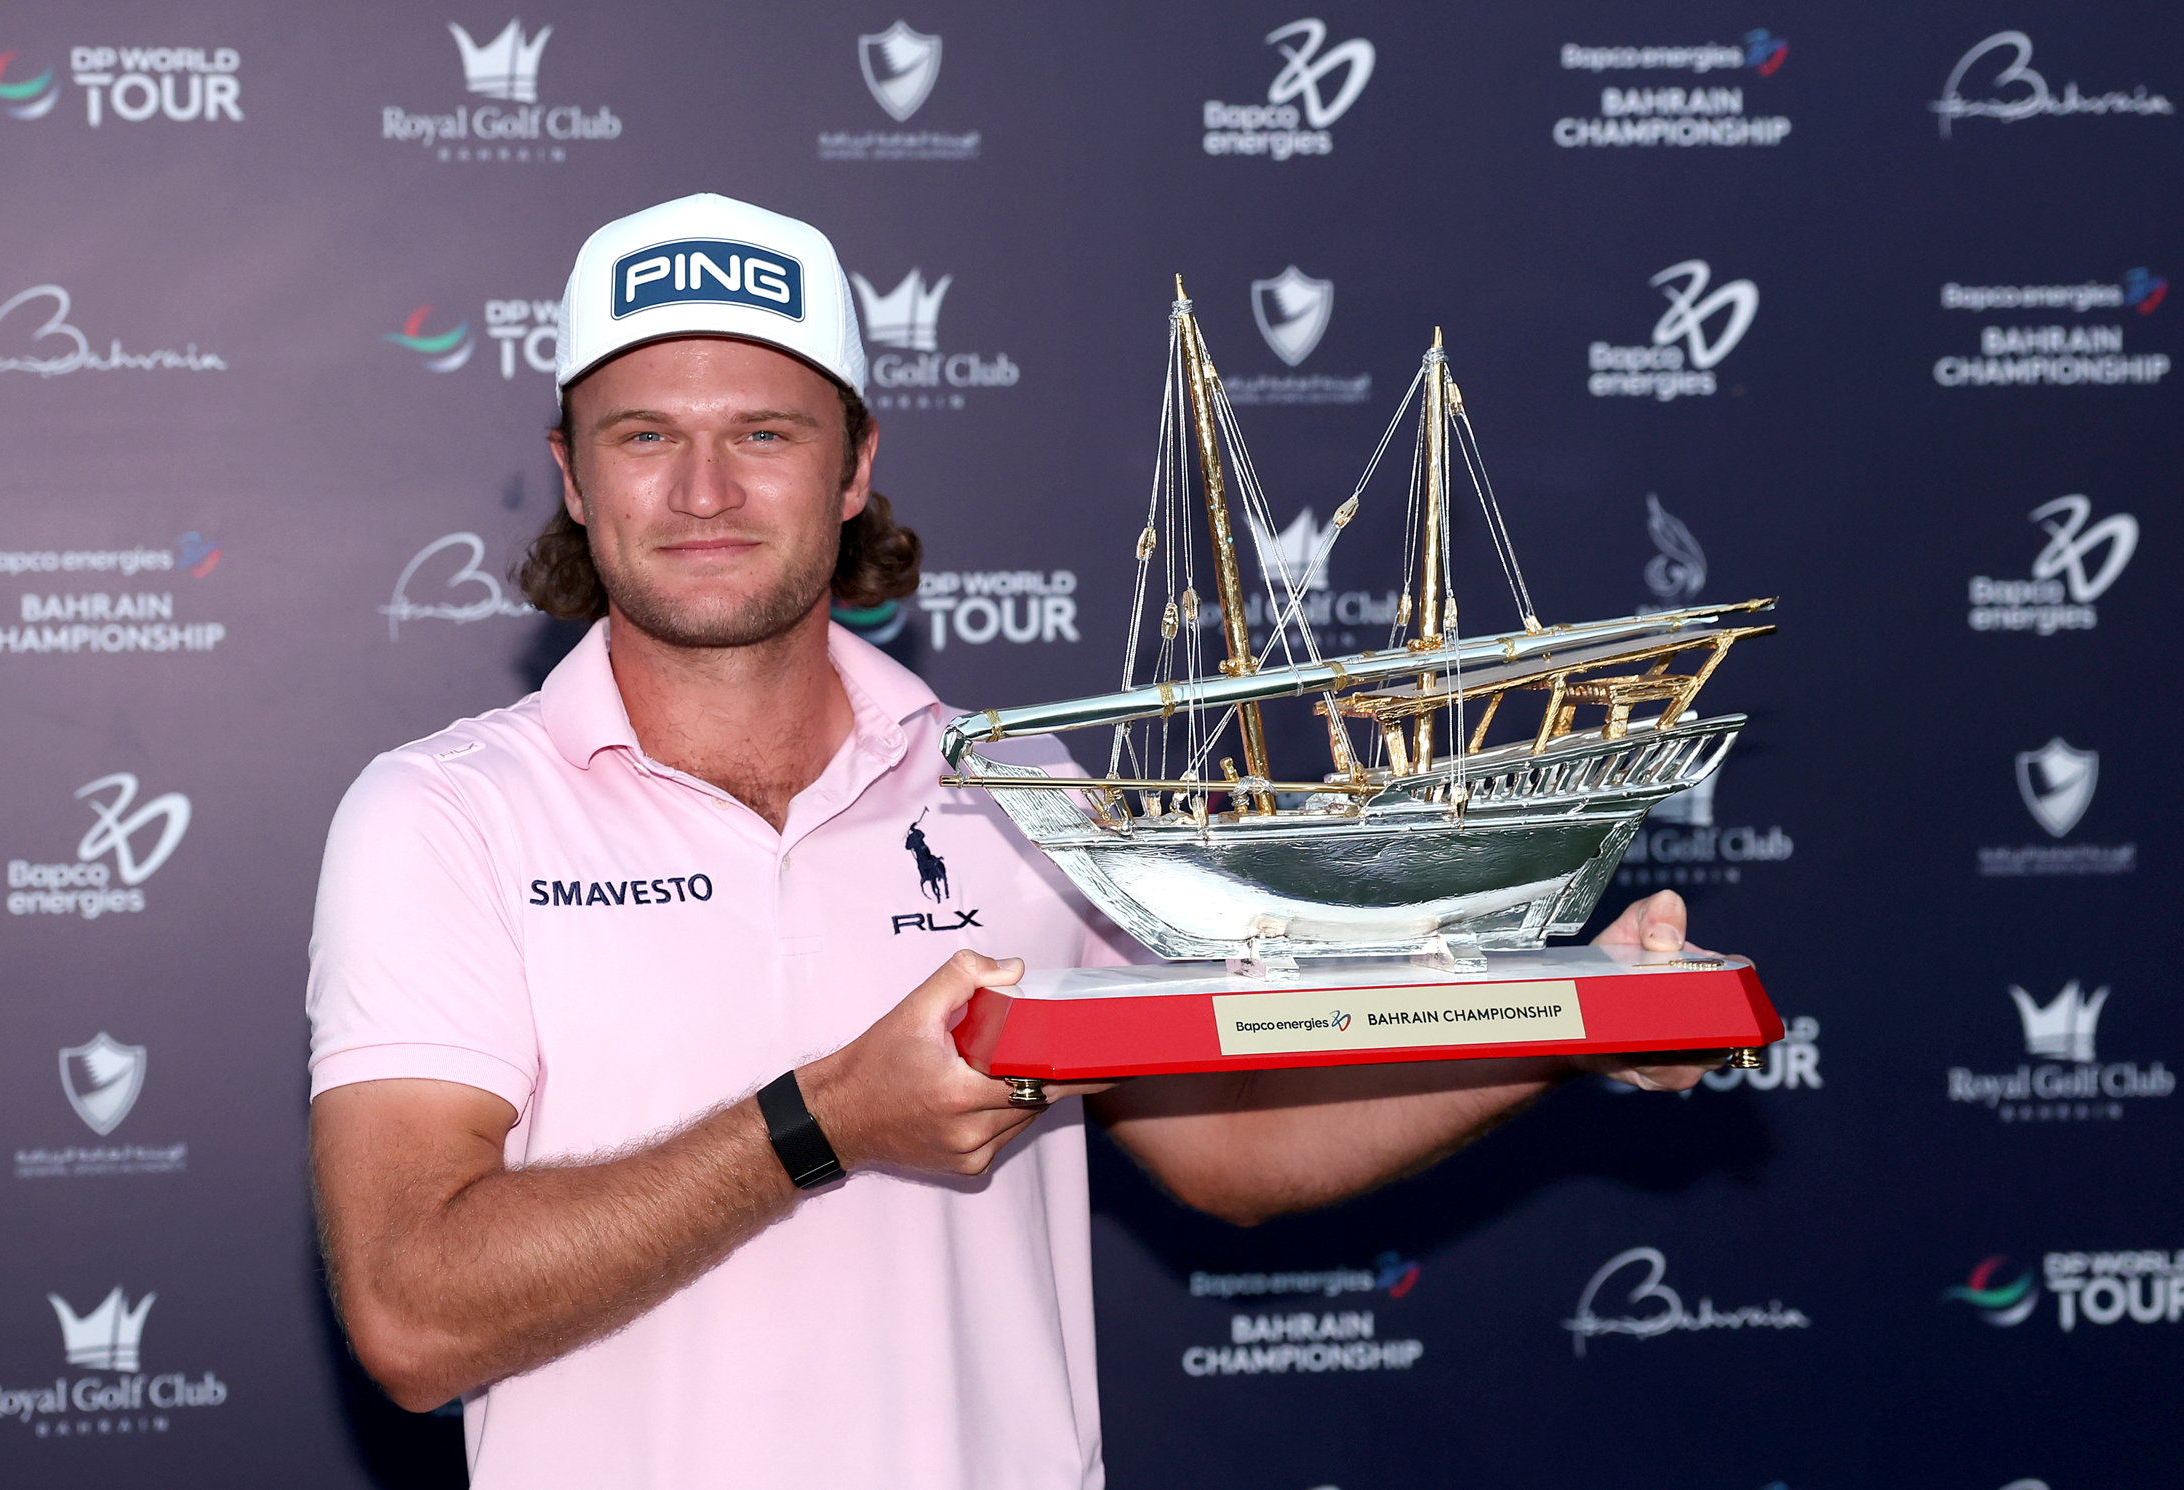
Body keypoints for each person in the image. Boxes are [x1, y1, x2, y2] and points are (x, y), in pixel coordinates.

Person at [306, 194, 1720, 1489]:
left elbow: (1234, 1140)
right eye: (644, 436)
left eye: (765, 433)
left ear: (855, 465)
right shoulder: (446, 815)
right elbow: (413, 1313)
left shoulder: (1018, 791)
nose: (705, 491)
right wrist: (822, 1121)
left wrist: (1573, 1016)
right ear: (571, 473)